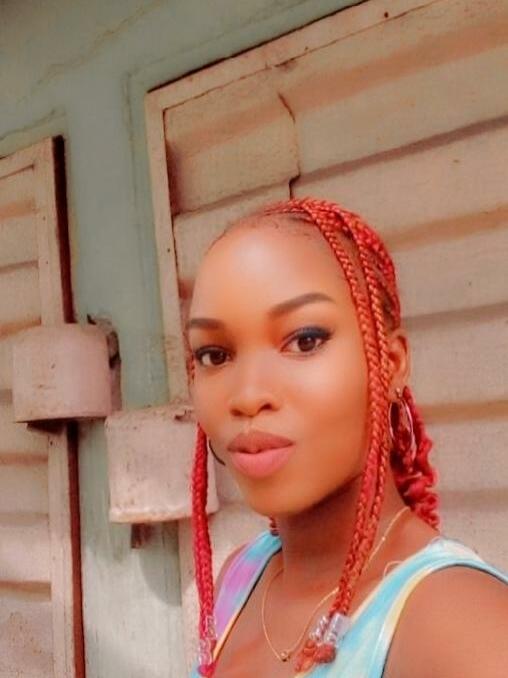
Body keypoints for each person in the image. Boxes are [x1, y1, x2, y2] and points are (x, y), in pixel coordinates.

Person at [184, 197, 508, 677]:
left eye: (305, 341)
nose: (248, 396)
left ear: (390, 363)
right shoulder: (241, 576)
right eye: (215, 355)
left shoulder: (461, 627)